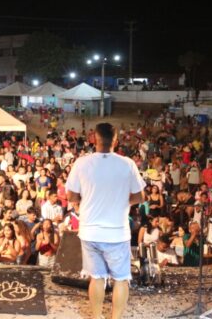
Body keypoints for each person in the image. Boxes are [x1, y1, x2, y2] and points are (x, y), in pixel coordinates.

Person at [66, 123, 145, 319]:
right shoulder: (127, 164)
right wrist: (124, 202)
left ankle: (96, 316)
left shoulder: (81, 163)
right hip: (117, 232)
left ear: (94, 139)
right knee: (121, 279)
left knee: (97, 277)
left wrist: (85, 201)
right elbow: (140, 196)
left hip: (90, 231)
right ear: (115, 141)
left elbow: (71, 196)